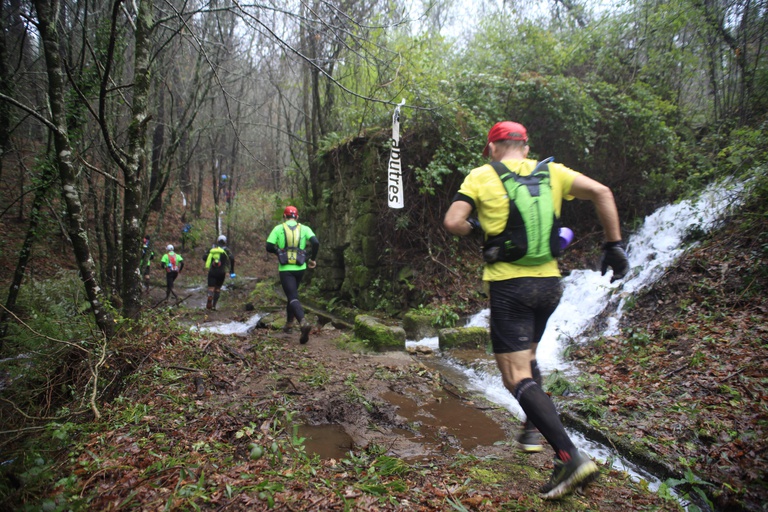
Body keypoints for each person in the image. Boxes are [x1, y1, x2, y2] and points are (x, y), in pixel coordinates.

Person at [443, 121, 629, 500]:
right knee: (527, 358)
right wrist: (614, 245)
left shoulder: (480, 176)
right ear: (525, 147)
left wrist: (477, 227)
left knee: (514, 377)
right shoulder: (554, 172)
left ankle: (570, 457)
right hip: (550, 286)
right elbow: (602, 192)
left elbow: (452, 222)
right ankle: (531, 430)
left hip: (511, 288)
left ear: (493, 148)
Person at [266, 206, 320, 344]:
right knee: (292, 294)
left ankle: (303, 322)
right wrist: (312, 259)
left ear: (284, 217)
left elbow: (268, 246)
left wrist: (278, 251)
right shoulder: (305, 228)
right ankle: (289, 324)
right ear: (297, 217)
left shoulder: (279, 228)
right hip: (300, 267)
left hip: (286, 268)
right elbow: (315, 242)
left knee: (292, 296)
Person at [203, 235, 235, 310]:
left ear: (217, 241)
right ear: (225, 242)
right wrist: (232, 270)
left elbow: (204, 257)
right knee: (217, 288)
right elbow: (232, 258)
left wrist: (211, 262)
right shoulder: (226, 250)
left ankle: (209, 299)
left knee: (211, 288)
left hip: (212, 271)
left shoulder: (212, 248)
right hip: (221, 272)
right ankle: (214, 306)